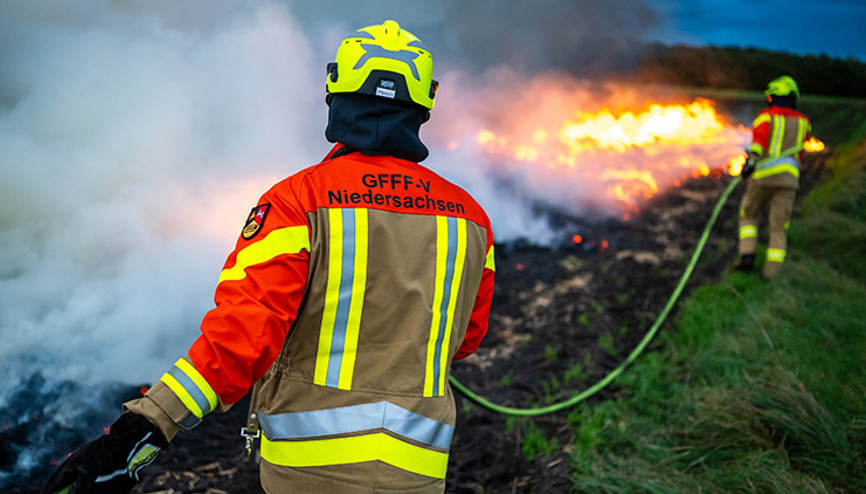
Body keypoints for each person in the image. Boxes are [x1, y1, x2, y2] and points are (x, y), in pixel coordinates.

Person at [42, 20, 495, 494]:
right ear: (423, 107)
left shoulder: (297, 201)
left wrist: (147, 427)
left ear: (335, 96)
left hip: (310, 473)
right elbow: (464, 340)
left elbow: (240, 339)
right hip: (418, 472)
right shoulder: (471, 218)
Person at [735, 75, 811, 279]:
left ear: (773, 97)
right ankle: (771, 274)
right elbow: (800, 153)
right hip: (789, 181)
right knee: (779, 227)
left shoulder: (765, 117)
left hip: (764, 178)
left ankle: (747, 257)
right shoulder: (804, 123)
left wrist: (750, 162)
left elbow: (758, 142)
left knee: (748, 214)